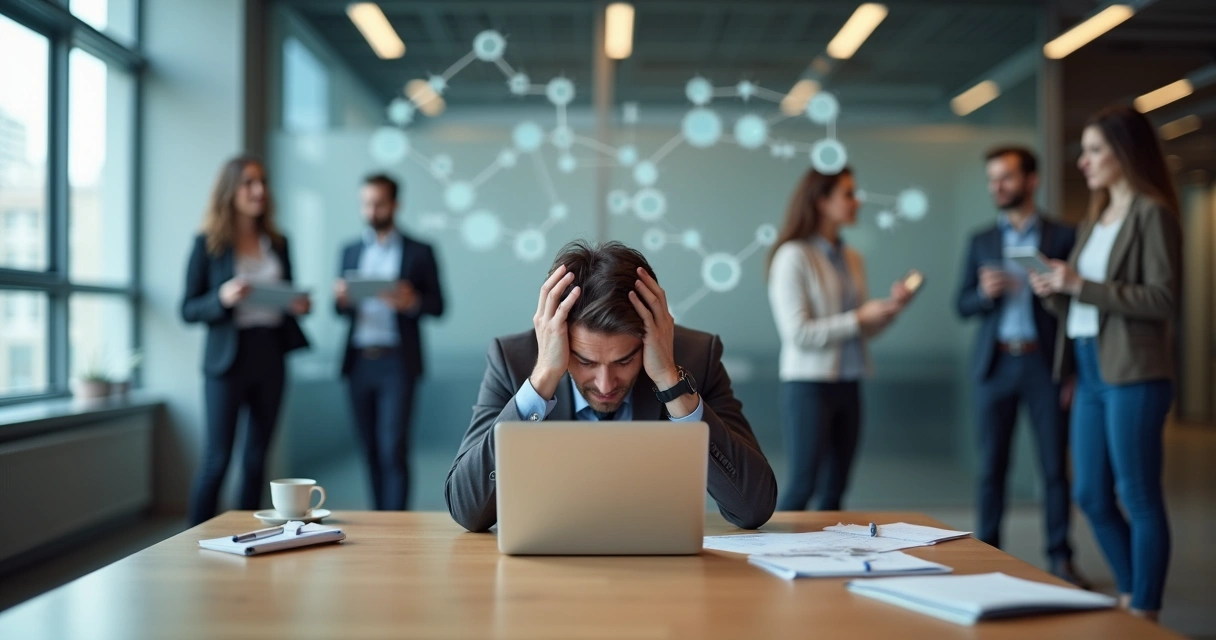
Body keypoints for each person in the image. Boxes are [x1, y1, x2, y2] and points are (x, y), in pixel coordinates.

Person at [445, 240, 777, 532]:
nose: (605, 384)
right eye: (586, 362)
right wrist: (543, 378)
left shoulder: (695, 358)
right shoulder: (514, 361)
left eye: (624, 360)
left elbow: (752, 508)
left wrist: (670, 384)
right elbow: (468, 510)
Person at [1029, 105, 1182, 621]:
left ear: (1125, 153)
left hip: (1134, 373)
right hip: (1090, 369)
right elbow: (1087, 301)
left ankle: (1144, 606)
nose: (1084, 162)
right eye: (1084, 151)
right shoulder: (1096, 217)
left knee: (1137, 493)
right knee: (1092, 495)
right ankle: (1131, 588)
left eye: (1095, 150)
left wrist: (1080, 285)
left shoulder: (1151, 212)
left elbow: (1163, 299)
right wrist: (1055, 288)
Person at [955, 146, 1086, 586]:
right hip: (995, 367)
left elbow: (1077, 309)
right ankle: (986, 552)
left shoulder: (1064, 236)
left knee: (1053, 468)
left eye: (1007, 177)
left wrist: (1073, 371)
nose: (998, 186)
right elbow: (961, 304)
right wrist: (983, 294)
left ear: (1032, 180)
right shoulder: (980, 240)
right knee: (991, 467)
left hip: (1044, 366)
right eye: (993, 178)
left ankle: (1060, 557)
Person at [766, 167, 910, 512]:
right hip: (808, 385)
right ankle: (776, 558)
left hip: (849, 382)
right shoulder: (793, 256)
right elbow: (798, 333)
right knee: (803, 485)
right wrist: (860, 317)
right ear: (820, 201)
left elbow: (859, 329)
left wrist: (887, 312)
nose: (857, 201)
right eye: (847, 193)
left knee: (835, 490)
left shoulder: (852, 257)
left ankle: (826, 564)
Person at [181, 154, 311, 525]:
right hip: (227, 358)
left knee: (257, 458)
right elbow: (188, 308)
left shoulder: (278, 242)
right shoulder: (208, 243)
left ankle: (248, 537)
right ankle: (192, 540)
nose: (260, 190)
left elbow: (287, 294)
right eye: (249, 183)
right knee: (217, 458)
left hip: (270, 352)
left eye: (263, 182)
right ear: (230, 190)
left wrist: (296, 303)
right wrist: (222, 298)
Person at [335, 174, 445, 511]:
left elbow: (438, 306)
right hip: (358, 361)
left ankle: (396, 522)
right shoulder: (349, 251)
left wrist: (410, 301)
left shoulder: (419, 251)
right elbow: (339, 311)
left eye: (379, 202)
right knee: (369, 449)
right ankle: (377, 518)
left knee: (392, 447)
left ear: (395, 204)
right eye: (366, 203)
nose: (371, 209)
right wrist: (340, 299)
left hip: (398, 361)